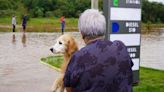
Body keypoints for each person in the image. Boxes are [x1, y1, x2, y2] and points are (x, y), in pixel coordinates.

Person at [64, 9, 133, 92]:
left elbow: (69, 88)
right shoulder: (121, 47)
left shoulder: (78, 57)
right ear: (104, 29)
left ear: (82, 33)